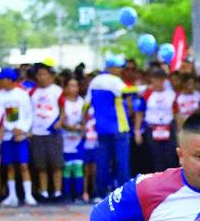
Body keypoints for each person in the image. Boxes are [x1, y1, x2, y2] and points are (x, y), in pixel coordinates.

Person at [85, 61, 139, 196]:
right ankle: (124, 195)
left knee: (102, 163)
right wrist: (141, 88)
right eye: (119, 67)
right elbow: (126, 90)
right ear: (111, 68)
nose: (121, 70)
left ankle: (100, 194)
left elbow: (85, 105)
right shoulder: (115, 80)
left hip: (101, 129)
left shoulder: (94, 81)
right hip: (119, 128)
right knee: (122, 163)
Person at [0, 68, 35, 207]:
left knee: (23, 165)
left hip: (20, 136)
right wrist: (10, 128)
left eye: (2, 79)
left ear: (10, 80)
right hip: (6, 135)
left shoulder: (22, 94)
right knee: (9, 166)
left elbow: (29, 114)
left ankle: (28, 195)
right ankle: (12, 196)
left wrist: (22, 129)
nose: (0, 81)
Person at [29, 64, 64, 202]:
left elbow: (63, 109)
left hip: (52, 131)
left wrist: (60, 121)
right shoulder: (32, 92)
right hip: (37, 132)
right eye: (39, 74)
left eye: (44, 74)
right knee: (40, 165)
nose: (42, 77)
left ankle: (57, 192)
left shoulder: (57, 91)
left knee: (56, 164)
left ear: (51, 76)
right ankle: (43, 192)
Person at [142, 67, 178, 173]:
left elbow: (176, 112)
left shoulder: (171, 94)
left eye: (161, 79)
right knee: (155, 156)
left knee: (170, 156)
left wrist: (179, 130)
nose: (158, 82)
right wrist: (136, 130)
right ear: (151, 80)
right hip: (152, 128)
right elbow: (140, 112)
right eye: (155, 79)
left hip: (168, 128)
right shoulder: (147, 94)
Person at [59, 77, 86, 202]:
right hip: (65, 139)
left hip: (78, 141)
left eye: (75, 86)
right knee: (67, 168)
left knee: (78, 167)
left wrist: (82, 127)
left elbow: (86, 119)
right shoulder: (63, 102)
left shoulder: (82, 102)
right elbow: (61, 121)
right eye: (70, 86)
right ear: (65, 88)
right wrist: (71, 128)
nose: (73, 89)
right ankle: (67, 195)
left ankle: (78, 195)